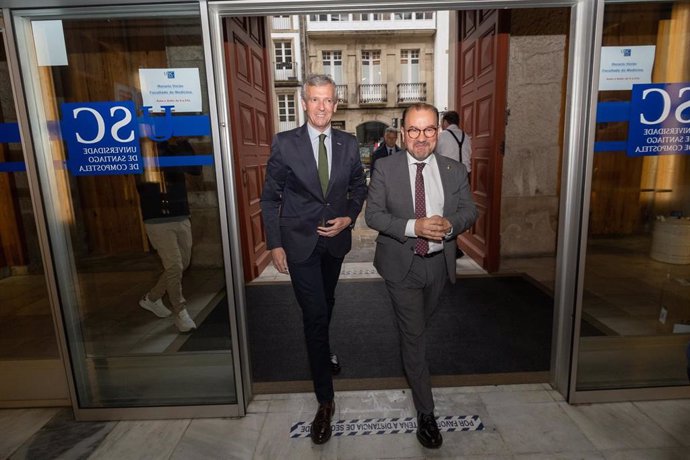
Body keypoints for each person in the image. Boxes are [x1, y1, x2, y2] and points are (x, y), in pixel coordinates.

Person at [260, 74, 367, 445]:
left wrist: (349, 217)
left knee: (327, 302)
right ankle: (325, 401)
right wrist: (275, 244)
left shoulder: (349, 144)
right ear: (303, 103)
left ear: (336, 105)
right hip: (299, 244)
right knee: (315, 313)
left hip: (334, 245)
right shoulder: (284, 144)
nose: (322, 107)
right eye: (315, 100)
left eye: (328, 100)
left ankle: (323, 346)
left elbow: (359, 186)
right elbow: (269, 198)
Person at [365, 103, 477, 449]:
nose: (421, 138)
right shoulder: (385, 167)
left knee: (417, 328)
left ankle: (410, 353)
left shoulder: (454, 169)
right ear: (402, 133)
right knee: (415, 336)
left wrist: (450, 226)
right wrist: (415, 227)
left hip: (438, 266)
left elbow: (468, 211)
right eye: (414, 130)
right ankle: (426, 414)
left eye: (429, 130)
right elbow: (374, 216)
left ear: (438, 132)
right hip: (401, 265)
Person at [137, 138, 201, 333]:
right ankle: (180, 313)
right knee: (174, 265)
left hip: (180, 213)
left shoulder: (180, 145)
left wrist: (180, 145)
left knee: (184, 263)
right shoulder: (144, 146)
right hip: (156, 218)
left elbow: (196, 169)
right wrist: (162, 148)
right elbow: (144, 181)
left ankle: (153, 298)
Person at [436, 110, 472, 175]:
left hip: (449, 173)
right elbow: (469, 153)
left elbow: (435, 155)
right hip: (465, 173)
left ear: (445, 122)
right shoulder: (466, 136)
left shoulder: (441, 135)